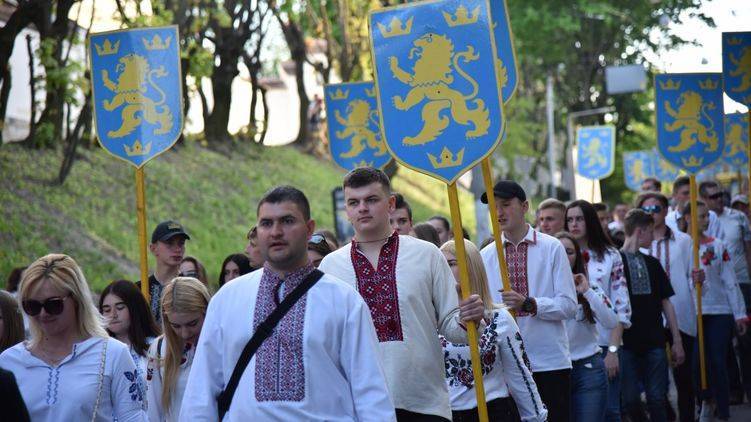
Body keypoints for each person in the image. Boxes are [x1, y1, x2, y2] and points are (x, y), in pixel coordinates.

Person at [182, 186, 394, 420]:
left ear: (309, 228)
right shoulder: (227, 299)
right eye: (266, 223)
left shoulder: (344, 301)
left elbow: (371, 394)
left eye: (287, 221)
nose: (276, 232)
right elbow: (201, 393)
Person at [320, 168, 485, 421]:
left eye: (372, 200)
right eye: (354, 202)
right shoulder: (330, 267)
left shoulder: (427, 254)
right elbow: (325, 341)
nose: (362, 208)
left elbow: (454, 328)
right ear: (347, 209)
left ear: (391, 203)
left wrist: (470, 317)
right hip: (358, 405)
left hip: (423, 403)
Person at [0, 254, 147, 421]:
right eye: (32, 306)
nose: (43, 313)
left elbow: (133, 417)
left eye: (53, 304)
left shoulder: (113, 354)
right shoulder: (8, 361)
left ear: (76, 299)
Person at [480, 180, 577, 422]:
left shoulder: (552, 247)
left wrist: (529, 304)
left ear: (524, 206)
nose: (499, 212)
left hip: (549, 361)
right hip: (505, 367)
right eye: (493, 206)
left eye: (505, 205)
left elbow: (568, 305)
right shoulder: (485, 255)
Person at [440, 238, 547, 421]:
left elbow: (519, 374)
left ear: (470, 267)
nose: (444, 270)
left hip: (492, 411)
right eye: (441, 265)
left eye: (451, 264)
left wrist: (536, 417)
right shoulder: (433, 319)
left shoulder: (499, 318)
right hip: (446, 413)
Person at [679, 201, 748, 421]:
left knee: (717, 359)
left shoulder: (717, 246)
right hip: (692, 312)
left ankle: (724, 410)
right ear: (688, 217)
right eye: (700, 216)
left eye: (707, 216)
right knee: (697, 362)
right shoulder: (682, 246)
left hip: (719, 310)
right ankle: (705, 400)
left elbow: (730, 280)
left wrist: (739, 313)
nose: (706, 220)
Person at [565, 200, 631, 422]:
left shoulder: (611, 255)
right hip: (570, 347)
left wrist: (612, 350)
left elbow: (621, 306)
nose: (574, 224)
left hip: (605, 343)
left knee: (611, 411)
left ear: (590, 221)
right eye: (570, 219)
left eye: (580, 218)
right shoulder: (557, 253)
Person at [636, 192, 698, 422]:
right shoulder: (638, 246)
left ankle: (688, 417)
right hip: (650, 320)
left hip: (681, 314)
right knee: (656, 382)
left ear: (665, 210)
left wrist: (699, 280)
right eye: (647, 209)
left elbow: (692, 280)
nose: (652, 214)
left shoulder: (684, 240)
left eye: (657, 208)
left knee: (684, 378)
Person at [619, 209, 685, 422]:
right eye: (650, 232)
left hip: (655, 342)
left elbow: (667, 302)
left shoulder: (653, 263)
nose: (652, 237)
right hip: (625, 343)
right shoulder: (615, 262)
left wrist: (677, 340)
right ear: (640, 231)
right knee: (629, 400)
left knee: (657, 398)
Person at [555, 231, 618, 422]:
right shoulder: (541, 289)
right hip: (555, 370)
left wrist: (587, 292)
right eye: (560, 251)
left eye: (570, 252)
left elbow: (611, 321)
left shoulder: (590, 286)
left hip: (588, 369)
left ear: (577, 257)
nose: (565, 257)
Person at [699, 181, 751, 405]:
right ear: (704, 200)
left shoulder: (738, 217)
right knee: (723, 346)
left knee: (745, 340)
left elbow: (748, 249)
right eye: (713, 196)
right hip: (715, 293)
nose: (719, 199)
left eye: (721, 194)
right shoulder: (702, 222)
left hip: (742, 283)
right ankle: (732, 390)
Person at [146, 277, 209, 422]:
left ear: (207, 311)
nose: (185, 333)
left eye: (192, 323)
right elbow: (153, 412)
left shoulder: (222, 345)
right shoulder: (159, 348)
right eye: (176, 326)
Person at [99, 280, 160, 389]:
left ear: (135, 308)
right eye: (107, 310)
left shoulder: (157, 347)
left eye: (120, 308)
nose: (113, 315)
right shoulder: (99, 351)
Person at [141, 221, 191, 324]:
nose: (177, 249)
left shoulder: (192, 289)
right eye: (170, 243)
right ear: (153, 248)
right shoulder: (139, 289)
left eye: (181, 243)